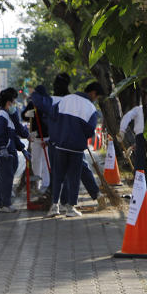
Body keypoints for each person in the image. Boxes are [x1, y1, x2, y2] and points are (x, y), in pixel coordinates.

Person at [46, 82, 104, 218]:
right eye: (97, 97)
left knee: (58, 176)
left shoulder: (66, 99)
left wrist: (58, 135)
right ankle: (71, 208)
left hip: (60, 145)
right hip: (76, 148)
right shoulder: (90, 108)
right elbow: (90, 130)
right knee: (74, 178)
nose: (96, 100)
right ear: (93, 93)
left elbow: (52, 116)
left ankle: (54, 206)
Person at [0, 88, 29, 213]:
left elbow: (12, 136)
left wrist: (22, 149)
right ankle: (5, 204)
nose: (15, 104)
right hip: (4, 152)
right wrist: (2, 149)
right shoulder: (2, 116)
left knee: (4, 178)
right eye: (14, 101)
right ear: (8, 103)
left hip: (8, 151)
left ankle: (0, 204)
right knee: (6, 179)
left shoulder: (7, 116)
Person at [119, 99, 147, 171]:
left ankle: (139, 178)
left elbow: (127, 116)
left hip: (141, 136)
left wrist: (122, 130)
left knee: (140, 163)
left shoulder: (139, 109)